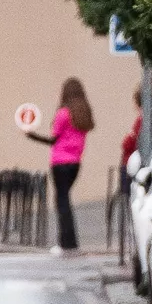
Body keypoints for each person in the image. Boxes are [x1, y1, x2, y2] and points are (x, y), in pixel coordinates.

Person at [28, 76, 95, 250]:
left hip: (59, 163)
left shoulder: (63, 113)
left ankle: (66, 243)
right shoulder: (84, 113)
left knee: (62, 201)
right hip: (75, 163)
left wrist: (32, 135)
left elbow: (53, 139)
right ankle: (71, 242)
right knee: (65, 199)